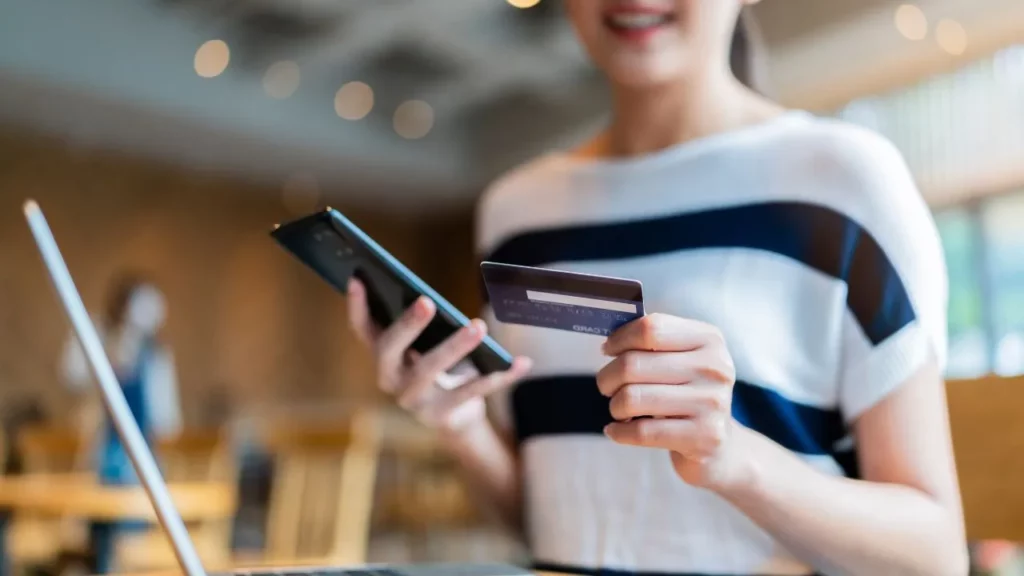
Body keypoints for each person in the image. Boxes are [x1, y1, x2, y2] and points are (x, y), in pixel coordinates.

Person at [348, 1, 967, 574]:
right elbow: (544, 523)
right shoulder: (515, 213)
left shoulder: (844, 182)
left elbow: (935, 558)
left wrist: (736, 457)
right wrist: (462, 426)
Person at [61, 273, 182, 484]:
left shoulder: (155, 353)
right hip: (102, 446)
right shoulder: (97, 332)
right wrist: (109, 359)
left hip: (145, 451)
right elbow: (71, 373)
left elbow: (167, 416)